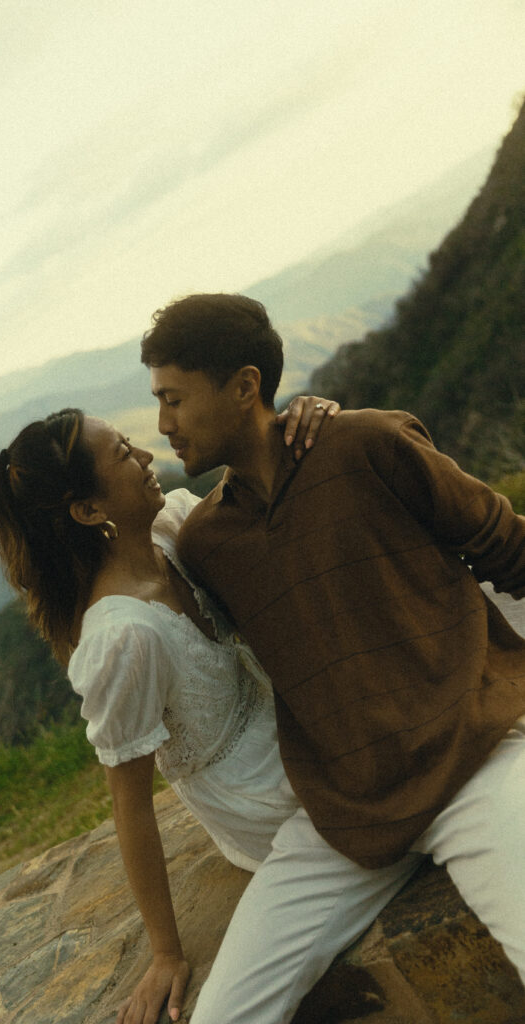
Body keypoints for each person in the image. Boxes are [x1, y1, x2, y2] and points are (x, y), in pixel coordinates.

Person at [141, 291, 525, 1023]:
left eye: (174, 399)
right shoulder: (206, 545)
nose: (163, 425)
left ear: (245, 386)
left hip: (474, 762)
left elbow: (508, 548)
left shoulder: (368, 444)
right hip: (345, 815)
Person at [0, 397, 337, 1024]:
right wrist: (166, 953)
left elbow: (266, 504)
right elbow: (131, 801)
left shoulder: (171, 527)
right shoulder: (122, 637)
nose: (146, 456)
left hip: (292, 718)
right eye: (123, 454)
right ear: (89, 511)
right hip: (263, 795)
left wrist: (301, 420)